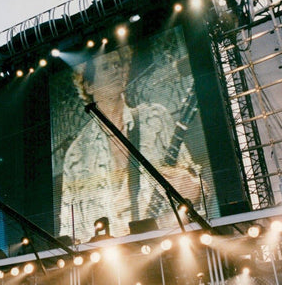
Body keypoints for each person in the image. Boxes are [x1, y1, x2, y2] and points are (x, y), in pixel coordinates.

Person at [60, 46, 201, 241]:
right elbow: (69, 230)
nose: (116, 70)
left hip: (170, 245)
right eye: (106, 67)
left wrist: (188, 187)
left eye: (118, 64)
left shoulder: (155, 118)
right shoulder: (76, 154)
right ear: (89, 86)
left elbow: (198, 187)